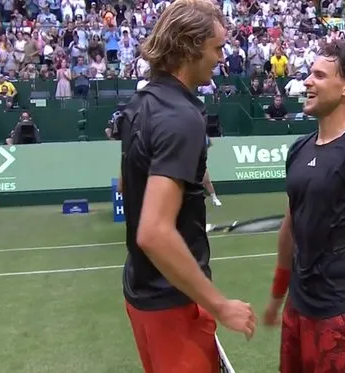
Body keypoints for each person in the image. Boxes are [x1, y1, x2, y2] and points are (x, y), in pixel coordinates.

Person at [118, 1, 256, 372]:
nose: (221, 57)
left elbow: (125, 185)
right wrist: (219, 304)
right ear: (191, 45)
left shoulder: (139, 103)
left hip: (141, 292)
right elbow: (153, 232)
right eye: (217, 47)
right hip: (172, 304)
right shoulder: (181, 118)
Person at [263, 40, 345, 373]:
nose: (307, 81)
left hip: (340, 315)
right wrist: (279, 295)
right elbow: (289, 227)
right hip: (298, 307)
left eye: (319, 75)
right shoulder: (298, 149)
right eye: (310, 74)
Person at [203, 135, 222, 207]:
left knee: (206, 180)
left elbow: (210, 144)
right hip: (189, 162)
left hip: (200, 161)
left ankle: (214, 199)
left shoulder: (204, 136)